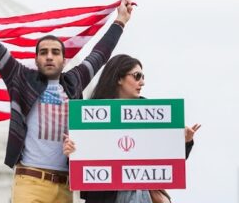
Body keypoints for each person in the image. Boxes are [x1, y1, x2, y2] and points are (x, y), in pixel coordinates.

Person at [0, 0, 134, 203]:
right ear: (36, 59)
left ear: (63, 59)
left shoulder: (74, 82)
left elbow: (100, 54)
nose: (49, 57)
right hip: (30, 182)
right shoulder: (21, 79)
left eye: (55, 52)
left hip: (64, 183)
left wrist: (120, 21)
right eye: (44, 52)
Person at [64, 54, 202, 203]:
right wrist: (70, 152)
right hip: (105, 197)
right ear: (119, 78)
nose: (142, 82)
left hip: (141, 195)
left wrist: (186, 141)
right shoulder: (91, 114)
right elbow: (79, 166)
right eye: (137, 76)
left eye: (143, 77)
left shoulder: (152, 114)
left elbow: (169, 160)